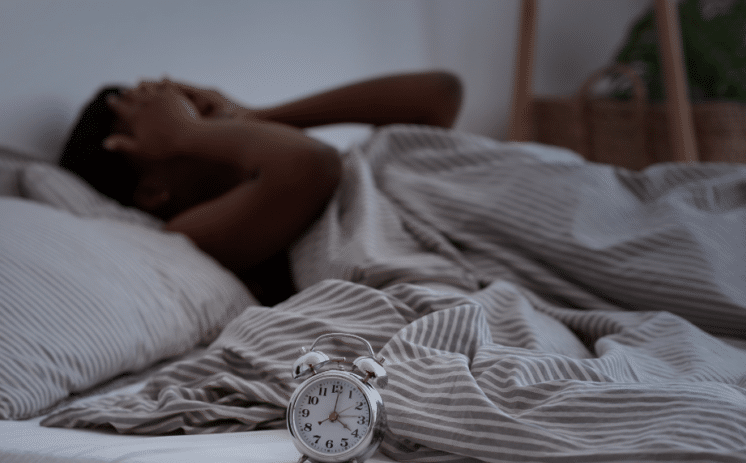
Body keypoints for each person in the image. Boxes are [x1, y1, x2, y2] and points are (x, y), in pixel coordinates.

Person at [59, 71, 464, 304]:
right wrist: (189, 132)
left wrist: (252, 114)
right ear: (151, 191)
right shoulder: (186, 234)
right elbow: (312, 165)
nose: (185, 109)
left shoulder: (286, 149)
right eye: (160, 125)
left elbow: (441, 93)